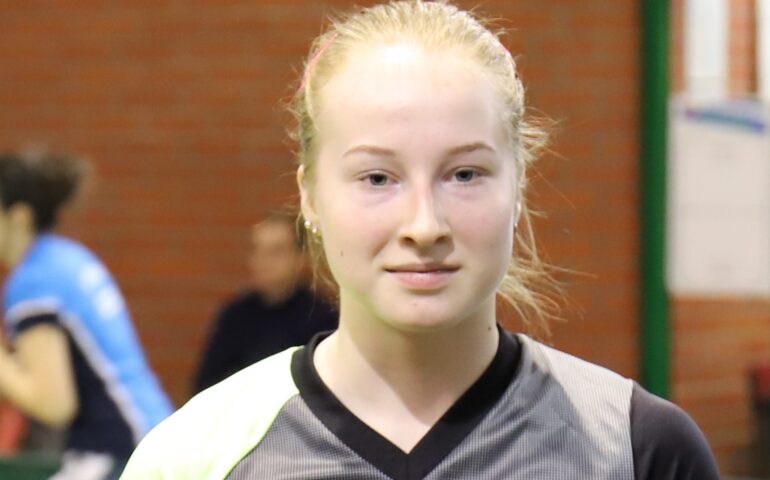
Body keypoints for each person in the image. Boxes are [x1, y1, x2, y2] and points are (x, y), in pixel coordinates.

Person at [121, 1, 720, 478]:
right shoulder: (193, 457)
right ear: (309, 197)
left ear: (518, 186)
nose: (424, 225)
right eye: (377, 178)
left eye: (465, 174)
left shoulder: (637, 449)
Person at [0, 151, 173, 480]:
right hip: (156, 439)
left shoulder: (33, 281)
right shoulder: (67, 257)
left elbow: (54, 404)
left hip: (123, 454)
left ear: (19, 216)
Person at [192, 214, 337, 393]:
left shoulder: (322, 316)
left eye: (275, 252)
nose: (263, 262)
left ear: (300, 258)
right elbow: (206, 386)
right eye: (257, 251)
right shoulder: (235, 316)